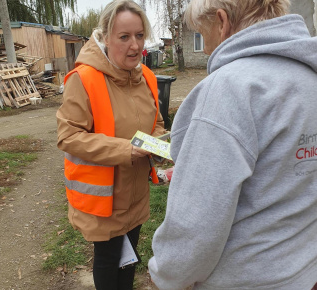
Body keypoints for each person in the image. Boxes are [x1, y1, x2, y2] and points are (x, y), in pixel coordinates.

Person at [148, 0, 317, 289]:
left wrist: (165, 274)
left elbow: (196, 226)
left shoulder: (231, 89)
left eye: (204, 35)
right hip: (303, 270)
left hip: (246, 279)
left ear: (223, 22)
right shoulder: (309, 78)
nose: (205, 49)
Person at [56, 1, 165, 289]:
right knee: (108, 261)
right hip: (104, 201)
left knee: (129, 259)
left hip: (136, 196)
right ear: (105, 37)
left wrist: (162, 147)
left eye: (140, 36)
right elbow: (68, 136)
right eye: (124, 37)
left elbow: (157, 125)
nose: (135, 46)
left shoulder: (147, 79)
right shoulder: (84, 79)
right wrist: (125, 150)